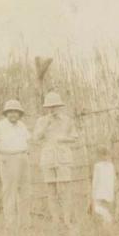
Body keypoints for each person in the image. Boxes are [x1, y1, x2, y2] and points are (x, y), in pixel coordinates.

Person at [0, 99, 31, 231]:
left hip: (23, 158)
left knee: (25, 191)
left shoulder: (22, 125)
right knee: (10, 192)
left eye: (16, 112)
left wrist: (27, 153)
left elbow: (28, 140)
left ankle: (25, 224)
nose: (13, 114)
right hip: (8, 159)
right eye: (10, 112)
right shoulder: (0, 126)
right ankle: (10, 224)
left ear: (20, 113)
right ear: (6, 113)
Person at [33, 91, 78, 227]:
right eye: (50, 107)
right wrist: (46, 125)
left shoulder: (67, 120)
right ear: (46, 108)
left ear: (60, 106)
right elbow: (35, 138)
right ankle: (55, 220)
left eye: (55, 106)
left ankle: (67, 220)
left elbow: (75, 137)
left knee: (65, 190)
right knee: (51, 190)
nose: (52, 109)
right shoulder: (41, 121)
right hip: (48, 158)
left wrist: (63, 138)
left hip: (63, 157)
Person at [91, 145, 119, 224]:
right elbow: (113, 179)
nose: (106, 157)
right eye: (105, 155)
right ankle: (107, 222)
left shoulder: (105, 166)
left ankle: (107, 223)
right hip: (104, 192)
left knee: (102, 209)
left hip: (103, 191)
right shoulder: (105, 166)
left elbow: (95, 180)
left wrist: (93, 194)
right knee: (102, 209)